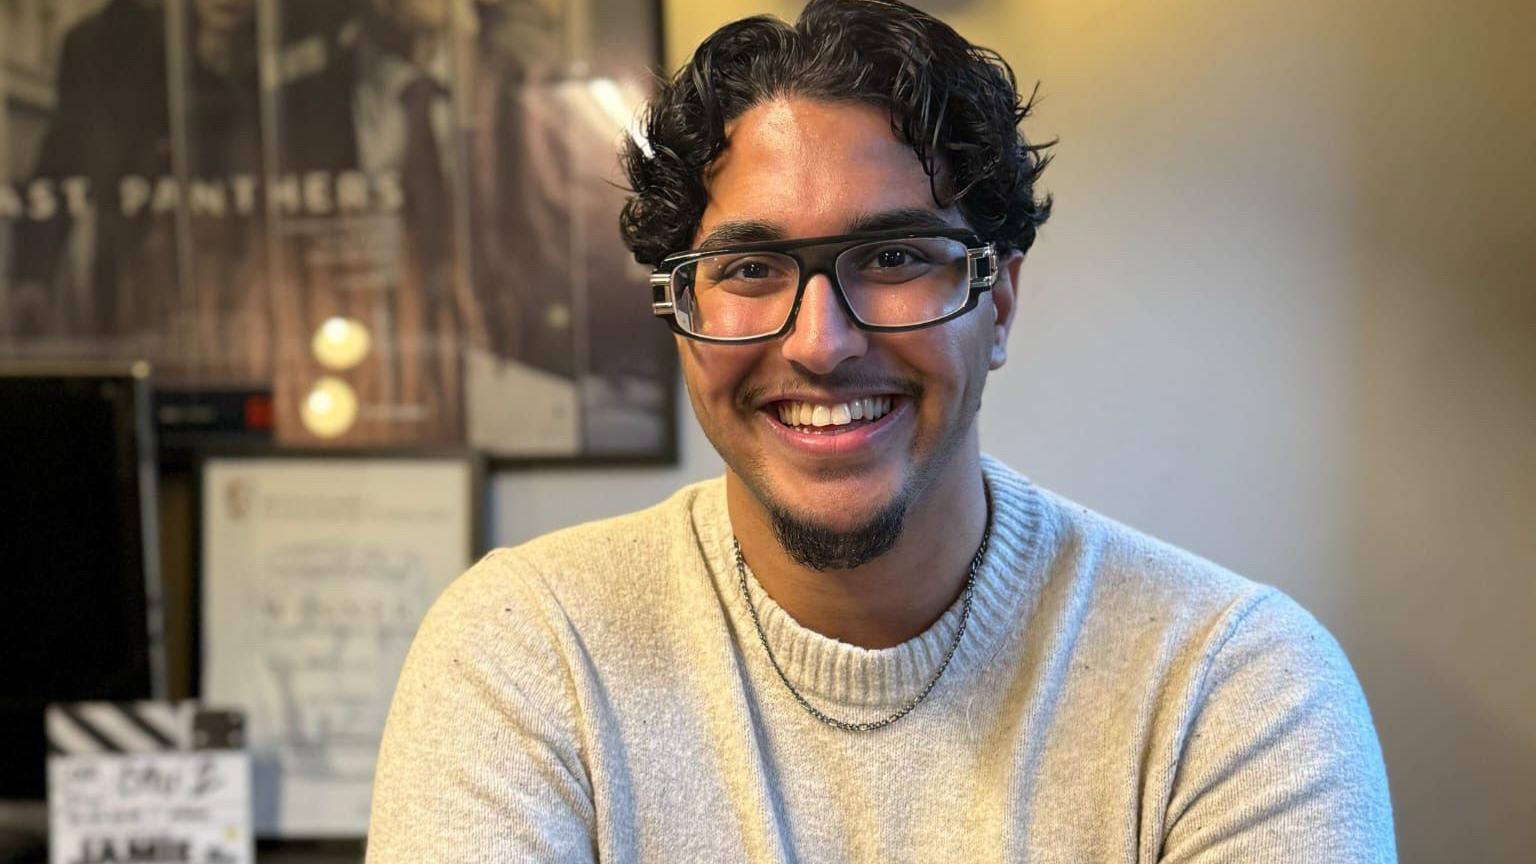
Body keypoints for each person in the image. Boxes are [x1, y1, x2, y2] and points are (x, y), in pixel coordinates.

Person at [366, 1, 1396, 861]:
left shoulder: (1232, 687)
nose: (821, 343)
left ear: (998, 302)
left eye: (895, 257)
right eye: (750, 268)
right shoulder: (526, 653)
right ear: (683, 313)